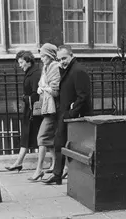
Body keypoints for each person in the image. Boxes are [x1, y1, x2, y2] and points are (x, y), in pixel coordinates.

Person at [42, 45, 92, 185]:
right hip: (66, 115)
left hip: (75, 117)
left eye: (64, 58)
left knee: (77, 147)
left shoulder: (78, 71)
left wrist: (71, 113)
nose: (62, 61)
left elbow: (83, 96)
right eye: (59, 59)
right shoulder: (67, 70)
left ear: (71, 55)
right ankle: (57, 174)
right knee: (59, 143)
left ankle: (65, 175)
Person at [29, 43, 60, 181]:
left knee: (41, 138)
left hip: (53, 110)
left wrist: (44, 88)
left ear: (50, 55)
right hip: (47, 108)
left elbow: (55, 90)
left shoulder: (55, 67)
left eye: (43, 56)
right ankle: (55, 165)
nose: (41, 58)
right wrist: (41, 88)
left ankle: (39, 169)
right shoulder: (46, 67)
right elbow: (41, 84)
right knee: (50, 140)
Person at [7, 51, 42, 172]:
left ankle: (57, 164)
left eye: (21, 62)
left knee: (43, 139)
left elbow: (36, 95)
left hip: (35, 112)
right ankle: (18, 162)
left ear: (28, 61)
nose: (20, 65)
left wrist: (24, 98)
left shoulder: (35, 74)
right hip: (30, 111)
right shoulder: (30, 73)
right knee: (27, 137)